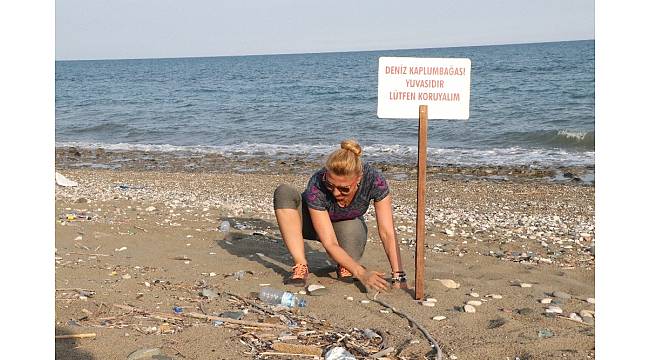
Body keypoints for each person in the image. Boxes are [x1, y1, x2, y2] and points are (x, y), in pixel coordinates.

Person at [273, 139, 407, 292]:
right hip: (310, 224)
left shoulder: (374, 181)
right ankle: (301, 265)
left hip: (345, 227)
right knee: (284, 192)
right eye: (331, 186)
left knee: (353, 225)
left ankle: (345, 265)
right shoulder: (318, 182)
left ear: (359, 179)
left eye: (344, 189)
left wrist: (398, 275)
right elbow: (329, 243)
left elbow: (387, 232)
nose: (336, 193)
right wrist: (361, 272)